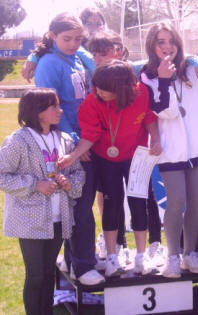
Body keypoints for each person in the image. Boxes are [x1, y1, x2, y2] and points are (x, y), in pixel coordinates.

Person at [58, 60, 162, 276]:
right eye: (95, 87)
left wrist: (156, 139)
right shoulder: (91, 102)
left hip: (136, 157)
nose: (98, 92)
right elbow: (89, 136)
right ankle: (112, 257)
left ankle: (142, 257)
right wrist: (73, 155)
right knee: (112, 204)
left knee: (139, 202)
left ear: (122, 89)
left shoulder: (141, 93)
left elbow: (150, 119)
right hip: (106, 159)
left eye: (103, 89)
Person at [140, 22, 198, 278]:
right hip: (171, 149)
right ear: (152, 46)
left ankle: (189, 253)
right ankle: (171, 255)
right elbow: (168, 111)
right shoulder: (148, 75)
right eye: (161, 42)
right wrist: (164, 80)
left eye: (171, 41)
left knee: (196, 201)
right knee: (176, 201)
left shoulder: (191, 68)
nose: (167, 47)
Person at [33, 12, 105, 286]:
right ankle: (82, 266)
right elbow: (50, 108)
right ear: (52, 36)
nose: (74, 43)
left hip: (90, 139)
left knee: (83, 205)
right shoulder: (50, 63)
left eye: (78, 38)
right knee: (80, 207)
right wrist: (74, 143)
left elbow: (108, 65)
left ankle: (77, 259)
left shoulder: (78, 57)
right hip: (73, 145)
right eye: (67, 39)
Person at [0, 88, 85, 315]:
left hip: (58, 217)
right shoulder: (18, 141)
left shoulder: (64, 139)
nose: (60, 110)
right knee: (36, 274)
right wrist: (34, 185)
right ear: (38, 111)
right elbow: (1, 175)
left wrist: (68, 183)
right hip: (30, 221)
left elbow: (78, 172)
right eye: (54, 106)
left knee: (49, 273)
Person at [21, 7, 104, 82]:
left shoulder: (111, 45)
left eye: (99, 24)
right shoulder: (76, 46)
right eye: (89, 24)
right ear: (80, 26)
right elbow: (50, 43)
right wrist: (33, 58)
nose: (94, 28)